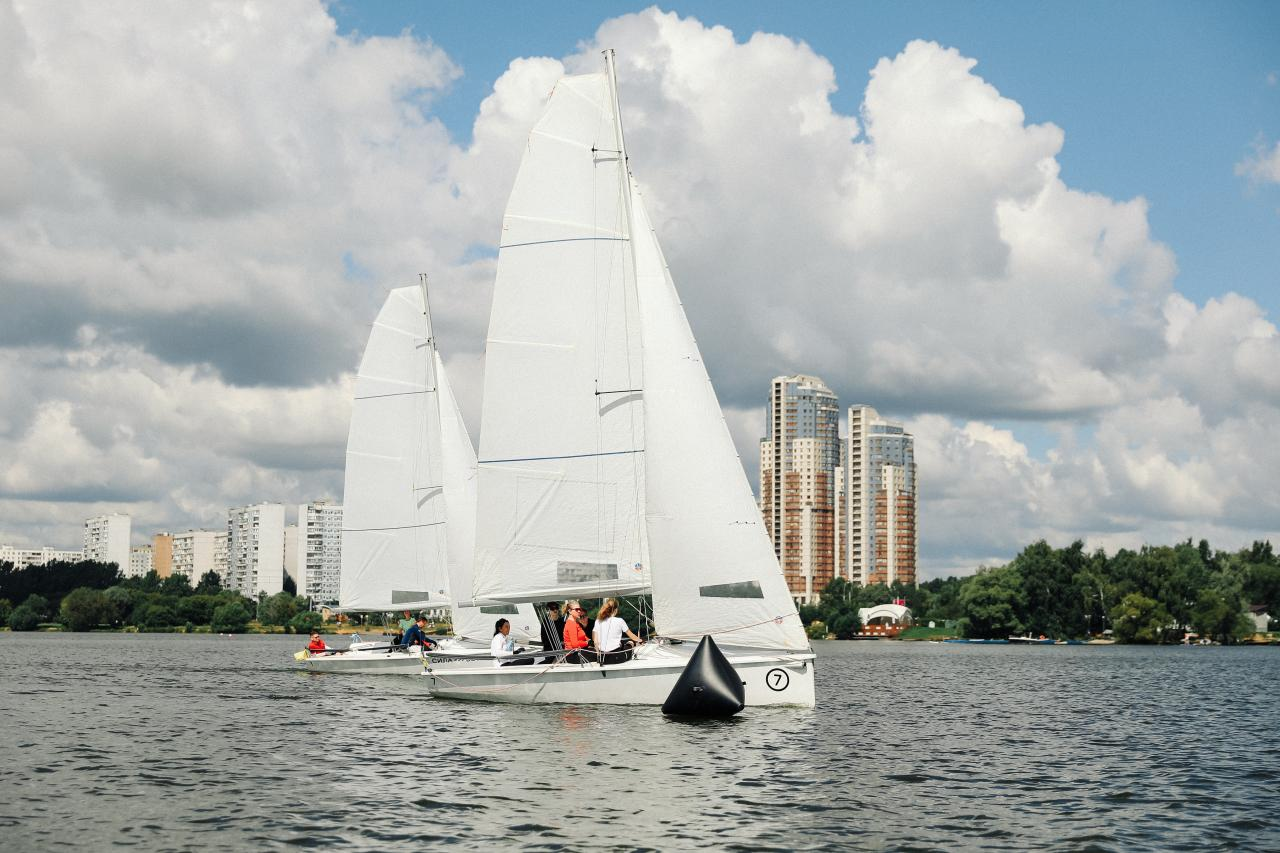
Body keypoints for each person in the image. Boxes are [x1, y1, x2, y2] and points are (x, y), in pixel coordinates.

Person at [592, 598, 644, 665]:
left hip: (603, 659)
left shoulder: (598, 621)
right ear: (615, 610)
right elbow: (632, 636)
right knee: (630, 642)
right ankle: (629, 643)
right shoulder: (620, 621)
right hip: (617, 658)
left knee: (622, 644)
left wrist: (599, 656)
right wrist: (641, 641)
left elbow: (595, 642)